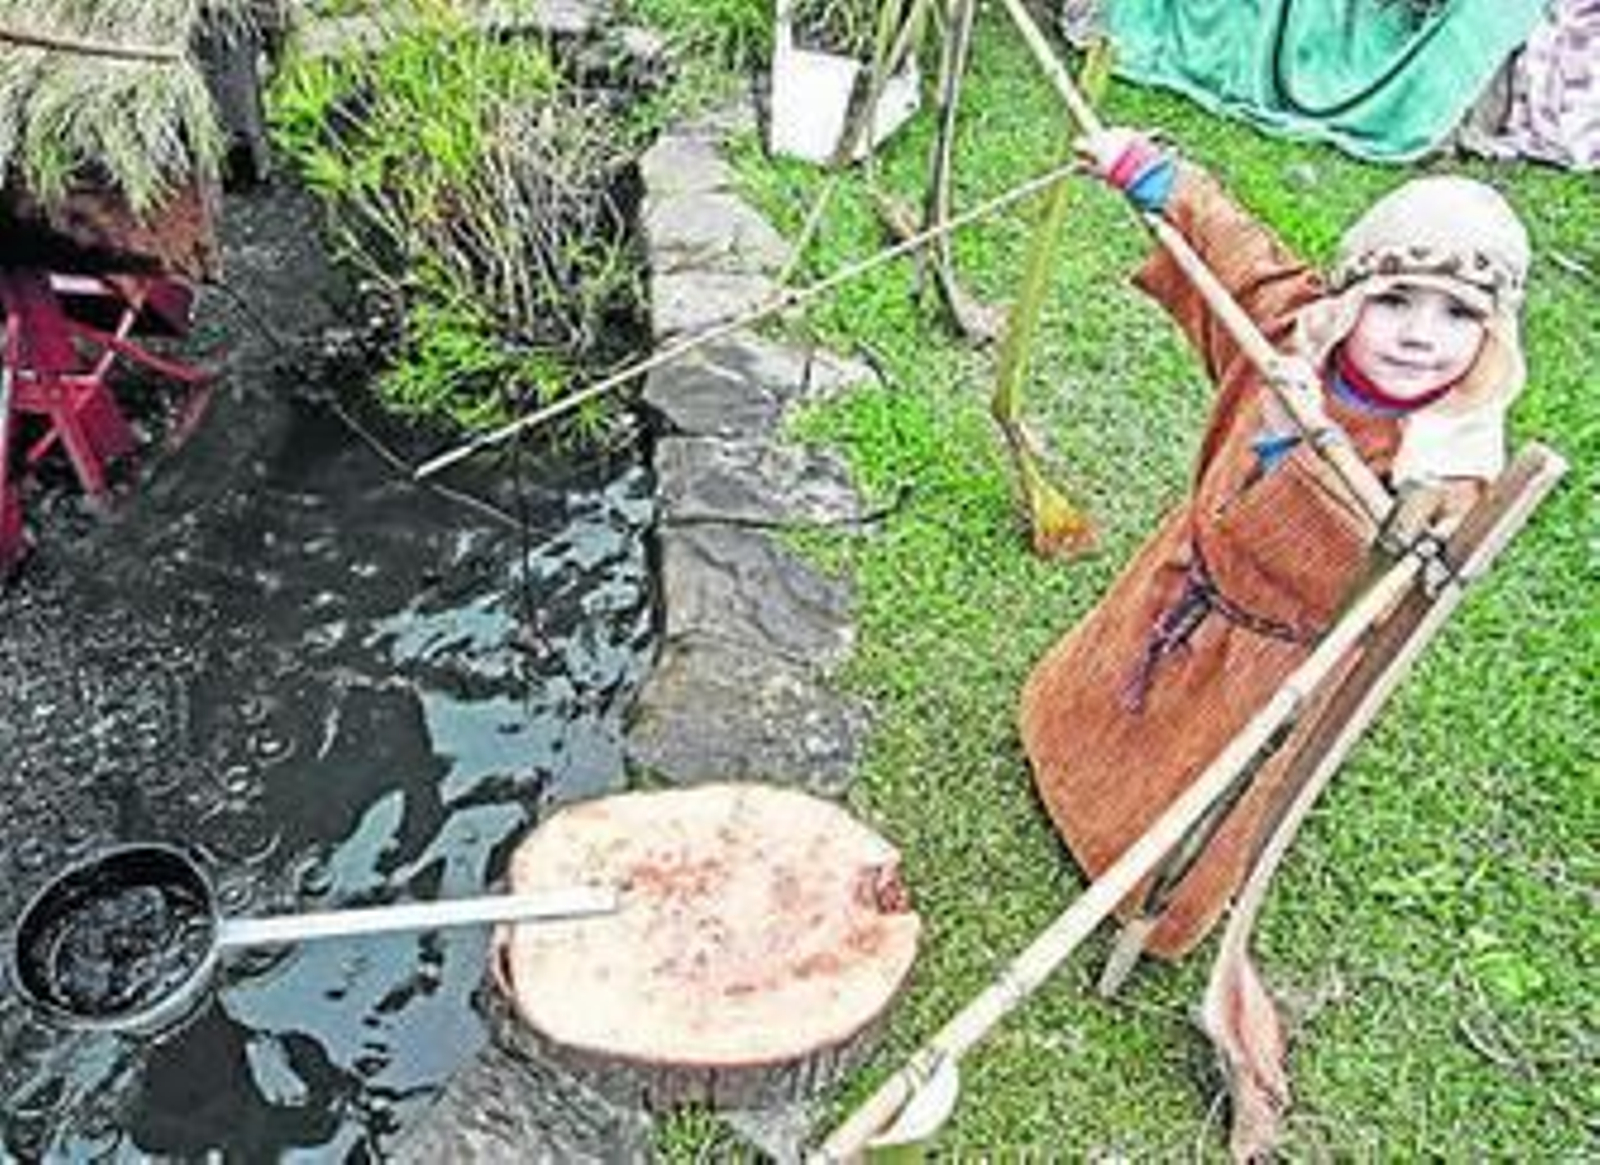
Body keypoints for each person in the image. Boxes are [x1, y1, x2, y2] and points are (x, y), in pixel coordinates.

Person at [1018, 128, 1531, 959]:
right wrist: (1150, 174)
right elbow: (1234, 254)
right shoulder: (1291, 334)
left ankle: (1146, 891)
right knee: (1091, 706)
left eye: (1459, 314)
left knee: (1188, 789)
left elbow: (1398, 571)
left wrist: (1317, 446)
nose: (1419, 334)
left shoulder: (1446, 464)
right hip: (1182, 582)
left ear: (1492, 334)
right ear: (1350, 297)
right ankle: (1058, 746)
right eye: (1394, 299)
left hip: (1266, 665)